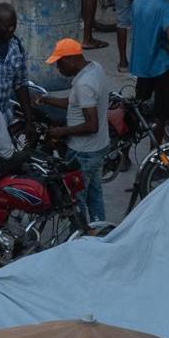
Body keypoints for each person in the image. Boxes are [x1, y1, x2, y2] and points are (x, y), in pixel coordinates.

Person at [41, 39, 111, 225]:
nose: (58, 68)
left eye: (59, 62)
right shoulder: (95, 68)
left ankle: (79, 239)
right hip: (98, 148)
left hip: (84, 153)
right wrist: (46, 99)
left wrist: (62, 131)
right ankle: (99, 231)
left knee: (76, 202)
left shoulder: (84, 84)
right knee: (94, 196)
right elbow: (73, 103)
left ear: (71, 59)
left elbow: (91, 125)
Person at [129, 0, 169, 144]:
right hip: (161, 66)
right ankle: (156, 154)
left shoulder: (137, 1)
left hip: (141, 65)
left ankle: (125, 149)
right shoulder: (165, 7)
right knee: (161, 115)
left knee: (137, 109)